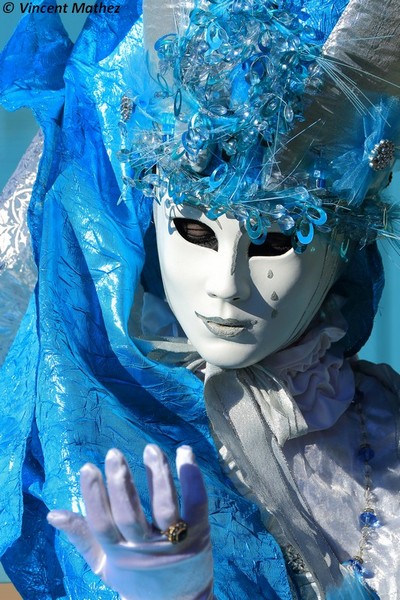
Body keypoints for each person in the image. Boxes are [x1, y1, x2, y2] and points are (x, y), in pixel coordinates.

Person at [0, 0, 399, 598]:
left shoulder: (385, 417)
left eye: (273, 238)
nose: (226, 285)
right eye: (194, 231)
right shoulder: (94, 437)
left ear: (342, 246)